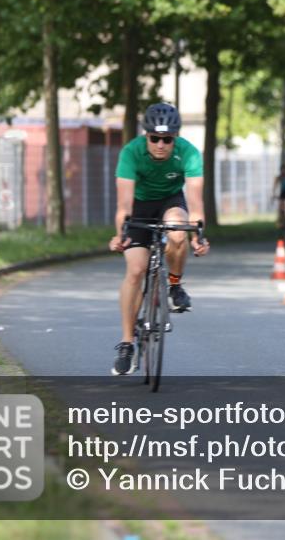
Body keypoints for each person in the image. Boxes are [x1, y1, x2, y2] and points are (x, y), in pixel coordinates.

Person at [108, 103, 209, 376]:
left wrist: (198, 234)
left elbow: (196, 203)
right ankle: (127, 343)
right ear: (146, 136)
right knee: (136, 270)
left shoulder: (188, 153)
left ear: (175, 137)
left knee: (179, 230)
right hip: (138, 207)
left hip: (170, 201)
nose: (161, 145)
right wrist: (120, 234)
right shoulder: (131, 153)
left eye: (167, 139)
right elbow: (124, 204)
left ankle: (174, 285)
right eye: (155, 138)